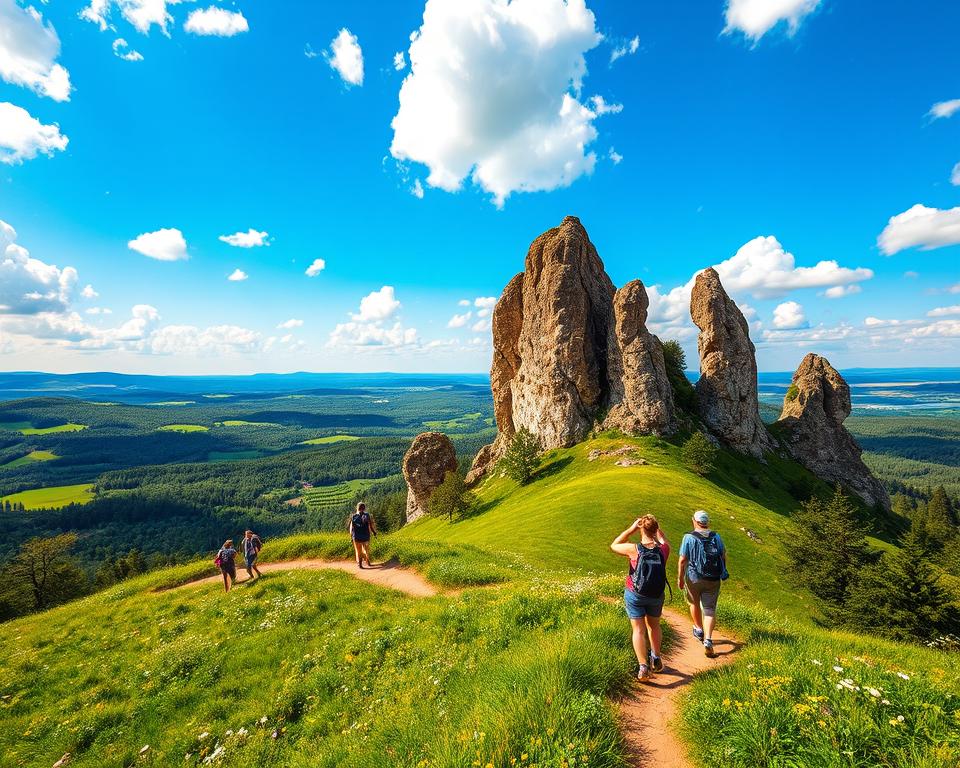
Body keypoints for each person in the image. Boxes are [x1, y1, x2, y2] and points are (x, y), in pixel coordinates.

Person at [610, 515, 671, 681]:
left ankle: (643, 667)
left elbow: (614, 545)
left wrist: (631, 529)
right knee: (654, 626)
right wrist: (657, 530)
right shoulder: (664, 550)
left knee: (638, 629)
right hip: (656, 595)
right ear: (656, 529)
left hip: (635, 593)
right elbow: (664, 541)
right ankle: (656, 659)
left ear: (641, 529)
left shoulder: (634, 549)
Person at [678, 510, 728, 658]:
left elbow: (682, 560)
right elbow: (723, 555)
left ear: (694, 520)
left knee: (694, 603)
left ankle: (698, 629)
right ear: (707, 522)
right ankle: (708, 640)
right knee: (709, 609)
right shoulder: (716, 536)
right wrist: (722, 571)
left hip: (694, 577)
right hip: (713, 578)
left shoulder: (688, 537)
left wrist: (680, 578)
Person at [349, 502, 377, 568]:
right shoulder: (367, 515)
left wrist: (351, 536)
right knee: (366, 549)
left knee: (358, 551)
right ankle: (367, 560)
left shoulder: (354, 516)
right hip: (366, 536)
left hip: (356, 537)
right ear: (364, 508)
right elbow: (370, 525)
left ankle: (360, 564)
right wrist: (374, 532)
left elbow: (351, 528)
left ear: (357, 508)